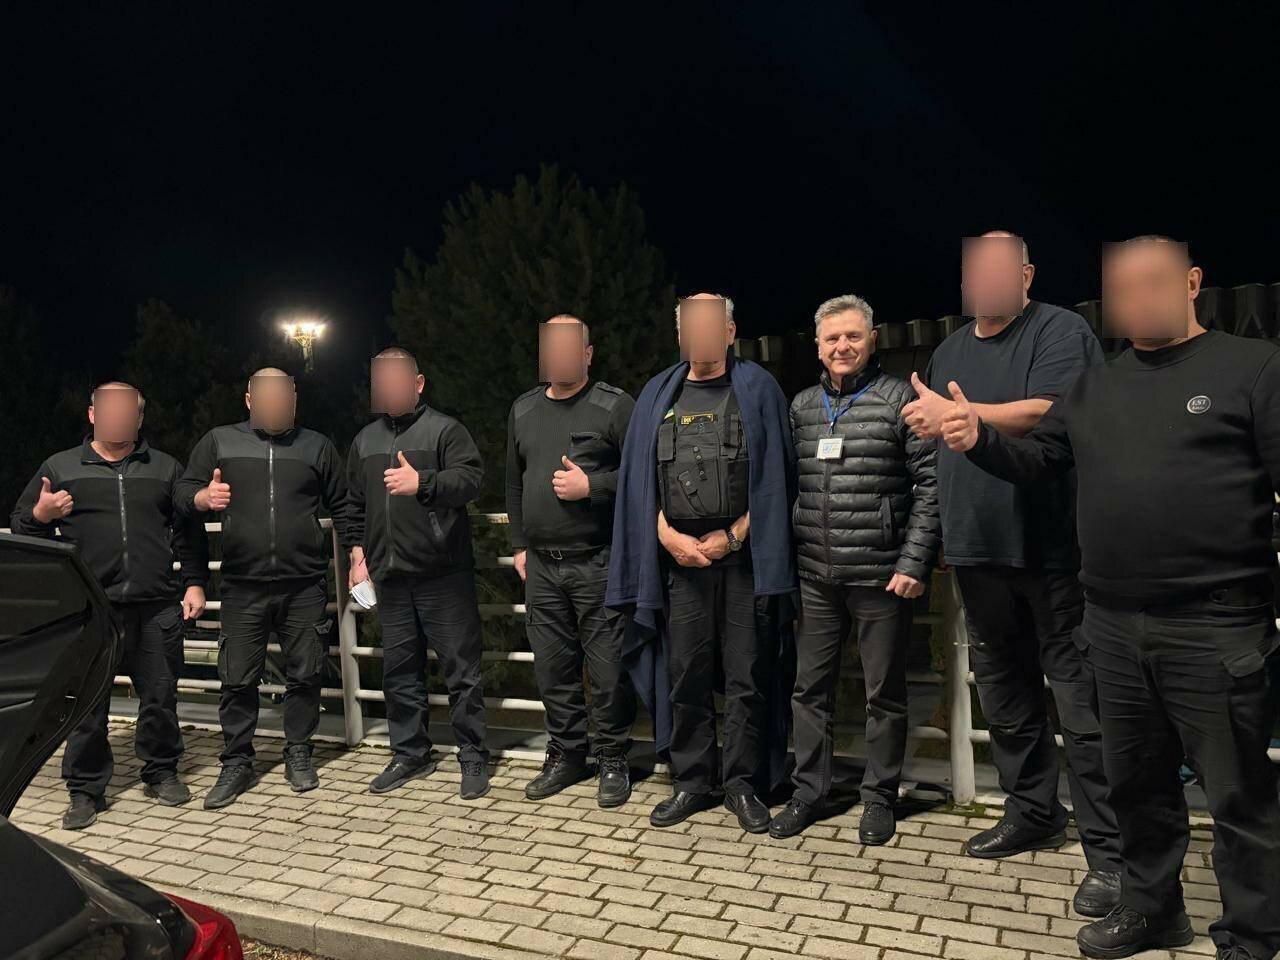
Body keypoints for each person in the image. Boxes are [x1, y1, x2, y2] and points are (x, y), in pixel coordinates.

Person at [945, 236, 1280, 960]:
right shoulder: (1097, 384)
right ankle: (1153, 910)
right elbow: (1041, 460)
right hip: (1112, 622)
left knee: (1238, 796)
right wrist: (977, 439)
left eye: (1152, 282)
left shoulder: (1253, 368)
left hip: (1215, 624)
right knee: (1137, 784)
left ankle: (1252, 938)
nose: (1137, 299)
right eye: (1122, 289)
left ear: (1192, 281)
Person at [904, 231, 1122, 917]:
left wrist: (964, 414)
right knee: (1005, 696)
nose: (984, 282)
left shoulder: (1059, 330)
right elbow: (938, 442)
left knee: (1082, 707)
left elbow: (1053, 410)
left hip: (1053, 551)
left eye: (998, 270)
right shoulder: (949, 350)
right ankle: (1033, 813)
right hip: (977, 550)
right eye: (974, 271)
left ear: (1026, 275)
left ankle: (1113, 854)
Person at [606, 293, 798, 833]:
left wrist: (732, 538)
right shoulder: (656, 395)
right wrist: (667, 537)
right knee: (684, 675)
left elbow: (778, 481)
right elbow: (640, 484)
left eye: (713, 325)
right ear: (680, 334)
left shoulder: (758, 390)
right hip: (679, 566)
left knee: (747, 676)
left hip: (743, 563)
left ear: (731, 331)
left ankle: (742, 784)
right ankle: (692, 781)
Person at [770, 295, 939, 843]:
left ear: (872, 339)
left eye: (852, 336)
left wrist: (914, 561)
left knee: (883, 694)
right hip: (814, 576)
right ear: (818, 346)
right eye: (831, 338)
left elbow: (931, 487)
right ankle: (809, 794)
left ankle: (879, 798)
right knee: (808, 691)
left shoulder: (899, 400)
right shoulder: (801, 406)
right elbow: (787, 487)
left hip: (881, 576)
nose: (842, 346)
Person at [11, 382, 209, 829]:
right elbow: (22, 529)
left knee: (160, 696)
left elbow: (189, 533)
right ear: (93, 415)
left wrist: (195, 583)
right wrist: (41, 516)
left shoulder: (165, 468)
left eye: (127, 412)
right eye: (109, 410)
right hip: (90, 610)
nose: (118, 419)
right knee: (86, 705)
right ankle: (85, 790)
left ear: (139, 419)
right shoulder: (59, 467)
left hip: (157, 605)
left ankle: (161, 771)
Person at [176, 368, 355, 808]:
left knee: (305, 674)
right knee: (237, 678)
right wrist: (202, 498)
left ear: (293, 400)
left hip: (304, 584)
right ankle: (237, 760)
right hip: (242, 584)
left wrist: (358, 554)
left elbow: (345, 505)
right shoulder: (218, 442)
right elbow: (182, 494)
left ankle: (299, 752)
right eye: (267, 396)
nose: (277, 404)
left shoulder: (317, 446)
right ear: (249, 399)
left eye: (284, 396)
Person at [346, 347, 490, 800]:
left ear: (418, 383)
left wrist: (423, 483)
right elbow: (354, 504)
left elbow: (470, 480)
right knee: (400, 672)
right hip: (389, 576)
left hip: (443, 575)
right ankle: (410, 754)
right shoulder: (364, 440)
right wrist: (357, 554)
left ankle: (473, 755)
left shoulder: (445, 430)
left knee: (461, 671)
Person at [505, 315, 637, 806]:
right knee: (553, 670)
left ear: (587, 353)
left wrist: (592, 486)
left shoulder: (615, 405)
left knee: (608, 671)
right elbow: (513, 481)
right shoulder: (522, 408)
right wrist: (519, 544)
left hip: (599, 561)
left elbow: (642, 475)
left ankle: (613, 758)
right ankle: (567, 755)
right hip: (541, 565)